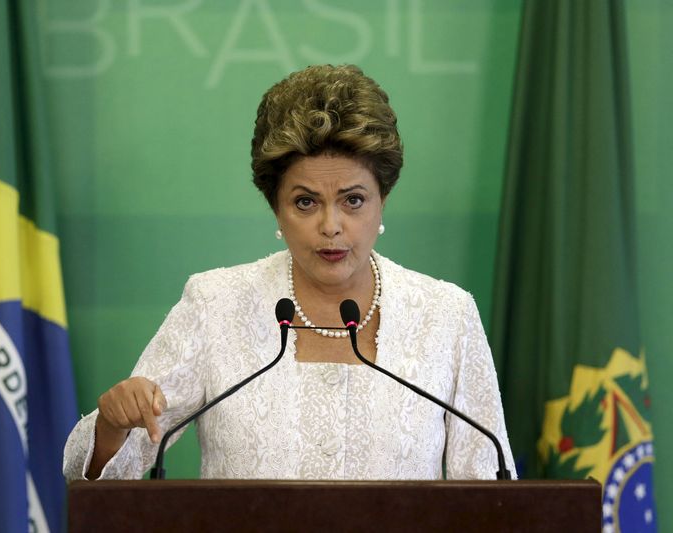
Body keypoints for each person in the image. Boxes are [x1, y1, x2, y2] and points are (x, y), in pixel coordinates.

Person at [63, 64, 515, 481]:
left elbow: (492, 493)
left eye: (353, 200)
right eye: (305, 201)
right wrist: (111, 426)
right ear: (276, 209)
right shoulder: (216, 304)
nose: (331, 225)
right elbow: (109, 478)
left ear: (383, 201)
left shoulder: (446, 315)